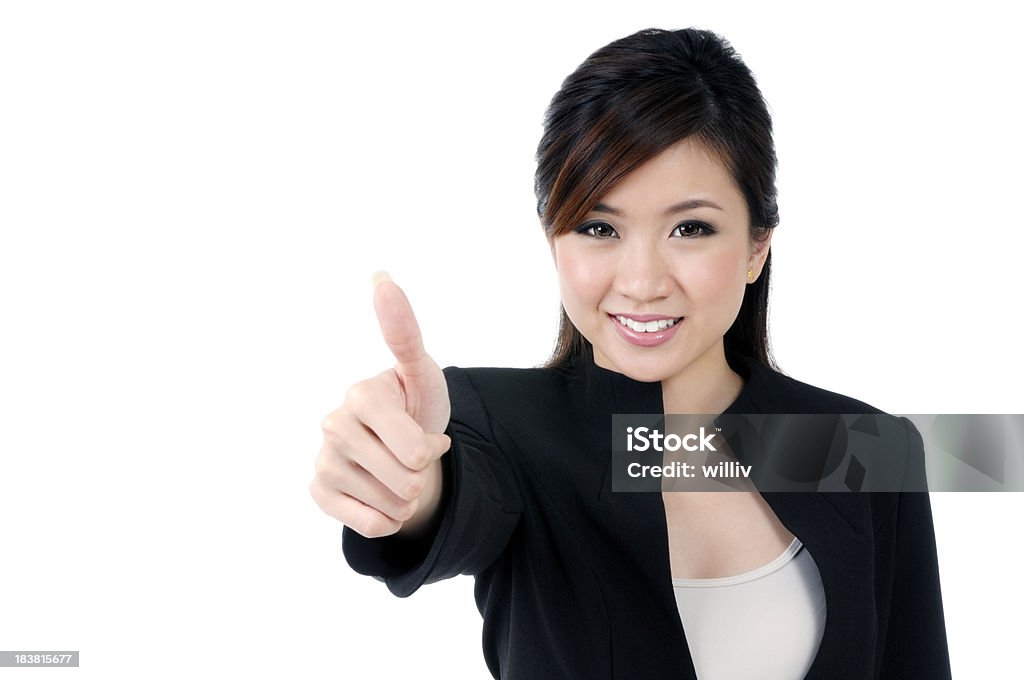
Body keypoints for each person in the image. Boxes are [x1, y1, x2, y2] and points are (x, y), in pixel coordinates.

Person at [310, 27, 951, 679]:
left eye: (690, 228)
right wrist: (404, 488)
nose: (642, 282)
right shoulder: (500, 426)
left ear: (758, 245)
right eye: (598, 228)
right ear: (553, 239)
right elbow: (452, 498)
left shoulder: (864, 447)